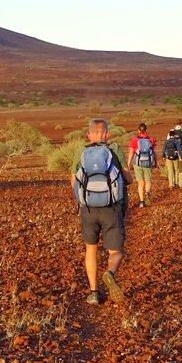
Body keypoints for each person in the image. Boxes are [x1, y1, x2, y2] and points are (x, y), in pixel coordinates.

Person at [71, 118, 133, 305]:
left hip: (88, 209)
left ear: (89, 134)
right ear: (107, 134)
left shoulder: (81, 151)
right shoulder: (114, 150)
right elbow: (128, 178)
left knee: (91, 249)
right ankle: (110, 272)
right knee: (116, 251)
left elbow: (74, 182)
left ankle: (93, 292)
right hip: (111, 209)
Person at [127, 123, 157, 207]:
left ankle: (141, 201)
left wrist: (129, 164)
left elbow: (131, 153)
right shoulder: (150, 139)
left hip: (138, 164)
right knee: (148, 181)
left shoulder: (134, 139)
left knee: (140, 183)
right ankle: (147, 193)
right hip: (148, 163)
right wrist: (156, 162)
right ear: (146, 130)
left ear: (138, 130)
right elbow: (154, 152)